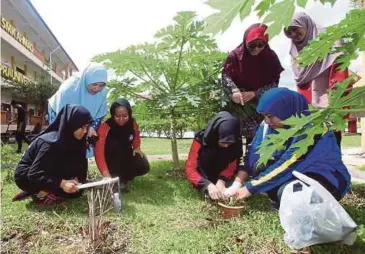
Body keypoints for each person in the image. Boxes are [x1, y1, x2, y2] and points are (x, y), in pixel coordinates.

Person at [224, 88, 351, 206]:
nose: (267, 121)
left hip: (325, 177)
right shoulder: (269, 125)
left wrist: (249, 188)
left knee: (289, 194)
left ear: (285, 110)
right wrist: (237, 183)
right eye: (264, 116)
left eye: (270, 116)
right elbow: (253, 154)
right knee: (261, 168)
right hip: (297, 174)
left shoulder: (313, 128)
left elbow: (288, 163)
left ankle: (320, 203)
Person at [284, 12, 358, 148]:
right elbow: (300, 81)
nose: (293, 34)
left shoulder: (330, 39)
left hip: (330, 104)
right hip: (308, 108)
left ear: (305, 23)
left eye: (295, 28)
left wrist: (335, 102)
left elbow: (340, 73)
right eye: (289, 32)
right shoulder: (295, 49)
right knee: (310, 149)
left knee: (331, 148)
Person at [12, 104, 93, 206]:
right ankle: (38, 190)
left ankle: (44, 190)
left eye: (87, 127)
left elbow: (81, 166)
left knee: (76, 191)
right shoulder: (51, 142)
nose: (85, 131)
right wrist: (62, 183)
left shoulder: (79, 140)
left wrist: (77, 180)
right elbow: (34, 173)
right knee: (65, 188)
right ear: (72, 124)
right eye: (81, 127)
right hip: (27, 176)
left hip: (50, 172)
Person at [222, 23, 284, 146]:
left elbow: (274, 83)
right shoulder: (234, 57)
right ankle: (235, 163)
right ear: (245, 42)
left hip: (258, 104)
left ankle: (253, 162)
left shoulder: (270, 57)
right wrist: (234, 91)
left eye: (261, 45)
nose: (256, 49)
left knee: (257, 136)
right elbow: (226, 76)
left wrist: (255, 94)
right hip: (238, 103)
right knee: (233, 134)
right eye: (252, 45)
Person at [48, 62, 108, 156]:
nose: (97, 89)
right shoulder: (69, 88)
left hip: (83, 119)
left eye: (101, 85)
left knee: (81, 143)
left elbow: (99, 114)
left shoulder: (103, 92)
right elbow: (63, 117)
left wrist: (92, 127)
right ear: (87, 79)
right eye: (94, 84)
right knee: (61, 142)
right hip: (59, 113)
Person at [184, 111, 245, 200]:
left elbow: (232, 167)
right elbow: (190, 168)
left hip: (224, 178)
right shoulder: (201, 139)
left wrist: (222, 180)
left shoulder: (236, 144)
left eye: (230, 142)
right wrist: (207, 184)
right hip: (201, 177)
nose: (226, 146)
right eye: (223, 142)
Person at [95, 98, 149, 191]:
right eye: (117, 116)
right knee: (117, 147)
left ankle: (125, 178)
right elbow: (98, 153)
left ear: (129, 113)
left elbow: (136, 134)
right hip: (111, 160)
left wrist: (137, 147)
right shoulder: (105, 127)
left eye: (125, 116)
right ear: (112, 114)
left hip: (125, 156)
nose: (121, 119)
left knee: (142, 164)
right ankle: (115, 178)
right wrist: (106, 175)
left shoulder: (132, 122)